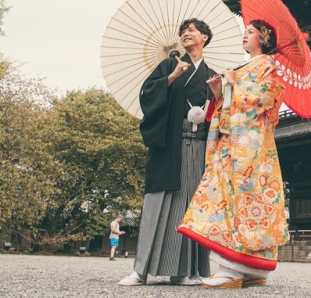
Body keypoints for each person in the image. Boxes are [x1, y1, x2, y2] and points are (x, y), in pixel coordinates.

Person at [178, 20, 287, 289]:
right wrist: (220, 92)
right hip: (234, 141)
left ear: (263, 38)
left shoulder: (266, 65)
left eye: (250, 32)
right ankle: (249, 268)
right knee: (233, 197)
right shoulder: (246, 67)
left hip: (248, 147)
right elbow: (231, 105)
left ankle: (233, 269)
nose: (245, 35)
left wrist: (234, 85)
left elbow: (267, 97)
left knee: (236, 197)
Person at [118, 19, 217, 287]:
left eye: (192, 31)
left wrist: (218, 93)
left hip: (198, 146)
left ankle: (184, 271)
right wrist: (172, 77)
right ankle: (140, 271)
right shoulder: (167, 66)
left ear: (204, 38)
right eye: (183, 32)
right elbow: (147, 95)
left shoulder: (211, 74)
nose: (186, 34)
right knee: (158, 202)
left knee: (190, 206)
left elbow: (219, 112)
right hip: (170, 144)